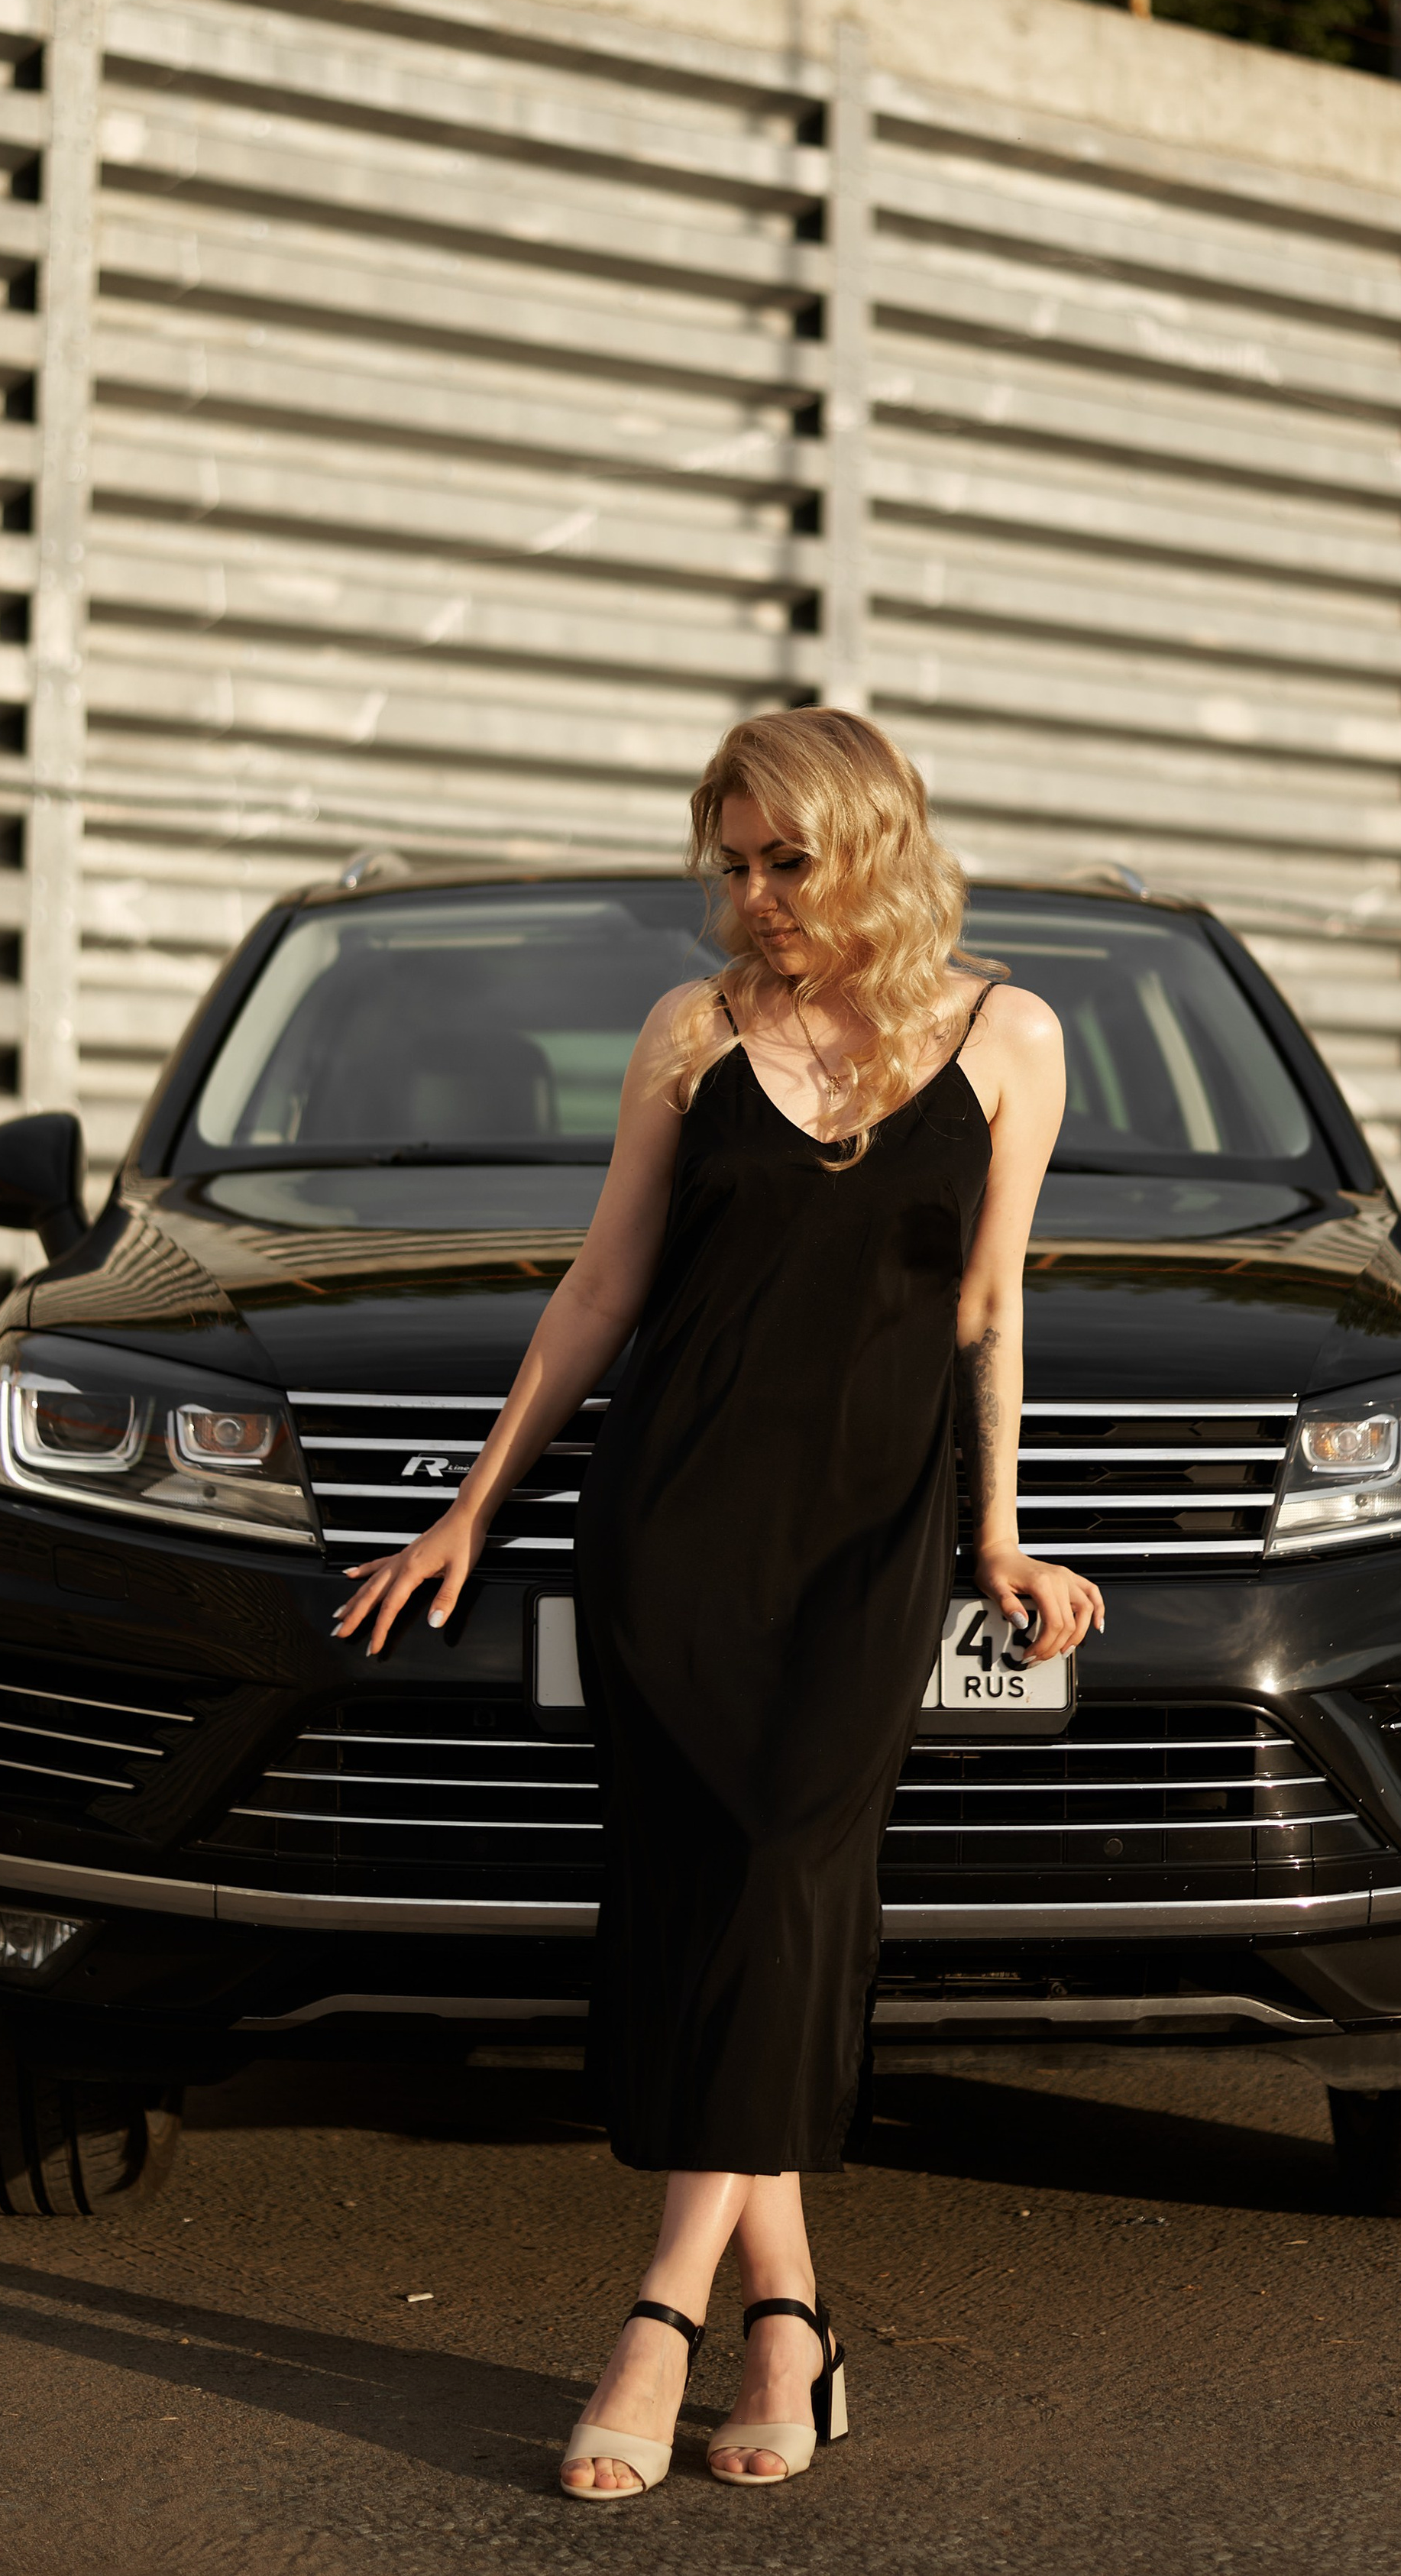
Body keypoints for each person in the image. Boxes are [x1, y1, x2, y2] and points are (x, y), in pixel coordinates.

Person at [333, 707, 1104, 2497]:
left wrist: (995, 1536)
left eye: (787, 859)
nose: (752, 897)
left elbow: (988, 1307)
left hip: (867, 1533)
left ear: (877, 842)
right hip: (672, 1513)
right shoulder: (693, 1035)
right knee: (713, 1895)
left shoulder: (1009, 1039)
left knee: (777, 1860)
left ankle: (654, 2315)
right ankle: (791, 2324)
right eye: (733, 862)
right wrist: (470, 1509)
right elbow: (602, 1288)